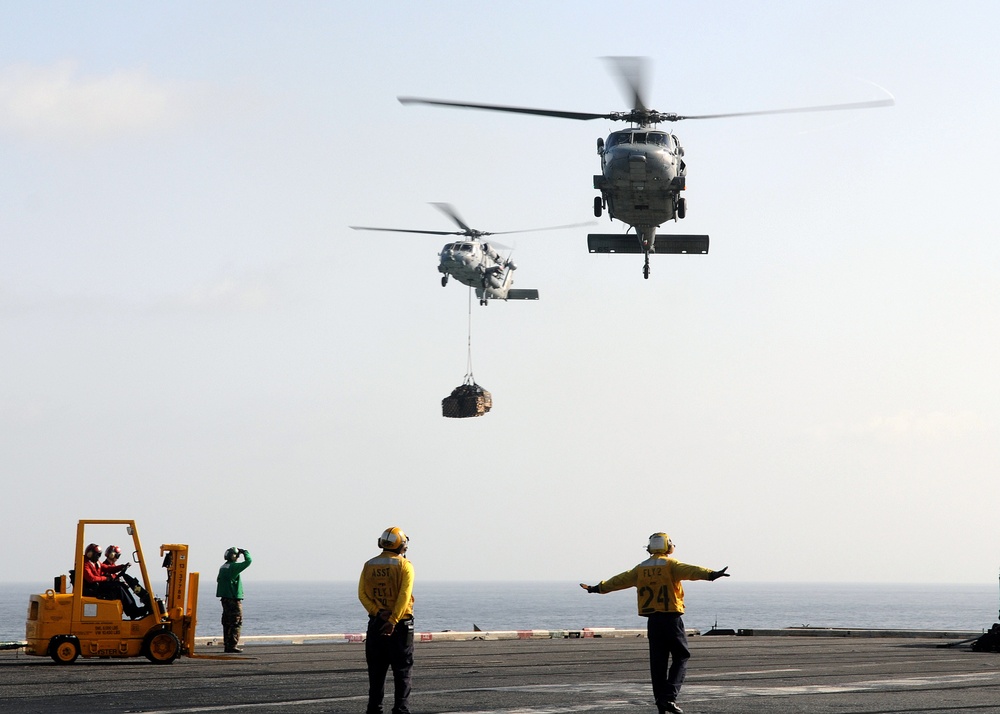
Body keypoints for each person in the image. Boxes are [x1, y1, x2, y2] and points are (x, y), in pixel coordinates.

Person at [580, 532, 729, 714]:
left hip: (653, 620)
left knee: (657, 662)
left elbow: (619, 580)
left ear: (650, 548)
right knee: (681, 656)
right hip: (671, 618)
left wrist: (597, 588)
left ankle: (660, 701)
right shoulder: (671, 565)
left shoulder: (640, 568)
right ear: (668, 546)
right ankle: (669, 697)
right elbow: (692, 571)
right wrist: (712, 574)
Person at [358, 527, 415, 714]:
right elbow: (404, 596)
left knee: (376, 673)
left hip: (376, 623)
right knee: (402, 672)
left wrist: (376, 612)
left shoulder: (369, 565)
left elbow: (362, 594)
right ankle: (401, 710)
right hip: (400, 626)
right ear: (402, 545)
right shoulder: (405, 566)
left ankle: (373, 710)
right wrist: (393, 620)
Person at [81, 543, 144, 618]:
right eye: (96, 555)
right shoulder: (85, 564)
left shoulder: (96, 563)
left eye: (99, 555)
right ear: (90, 554)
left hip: (98, 585)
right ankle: (132, 611)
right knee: (118, 588)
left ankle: (133, 609)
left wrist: (122, 566)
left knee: (121, 585)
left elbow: (108, 568)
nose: (98, 557)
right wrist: (106, 578)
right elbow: (91, 578)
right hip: (94, 588)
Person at [216, 547, 252, 653]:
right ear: (233, 556)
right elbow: (248, 561)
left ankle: (227, 645)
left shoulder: (223, 567)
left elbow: (219, 579)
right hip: (233, 599)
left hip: (225, 599)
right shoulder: (233, 567)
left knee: (227, 622)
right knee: (236, 622)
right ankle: (232, 646)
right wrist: (245, 552)